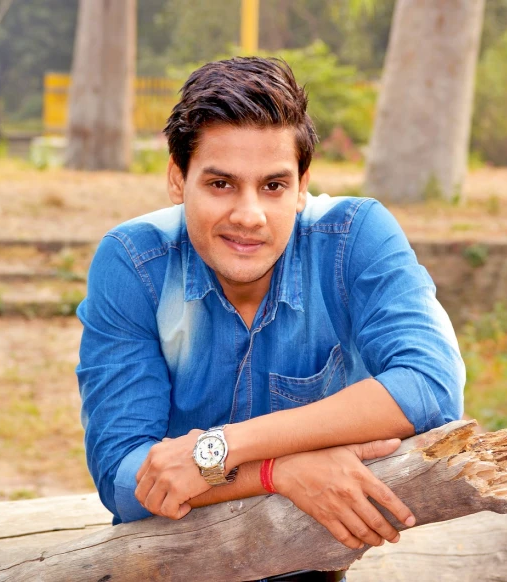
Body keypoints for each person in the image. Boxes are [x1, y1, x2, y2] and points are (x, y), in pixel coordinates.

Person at [76, 56, 465, 582]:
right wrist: (279, 470)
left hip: (317, 563)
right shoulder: (135, 264)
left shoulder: (355, 238)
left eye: (274, 186)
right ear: (177, 177)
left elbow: (431, 389)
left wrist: (223, 452)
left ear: (303, 184)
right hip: (179, 564)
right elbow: (124, 477)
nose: (249, 215)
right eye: (220, 184)